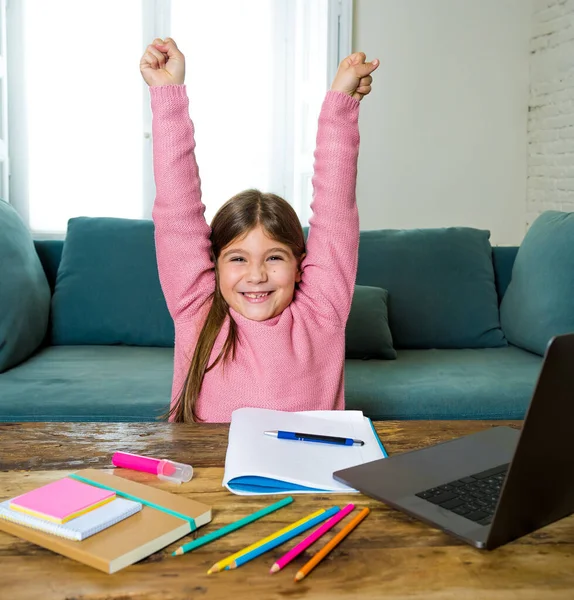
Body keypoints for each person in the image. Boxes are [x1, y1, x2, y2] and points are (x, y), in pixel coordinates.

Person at [140, 37, 379, 423]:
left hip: (308, 478)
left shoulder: (322, 310)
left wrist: (340, 106)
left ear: (302, 264)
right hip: (209, 475)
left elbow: (336, 213)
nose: (256, 275)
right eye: (237, 258)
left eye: (274, 257)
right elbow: (177, 211)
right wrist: (167, 94)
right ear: (213, 264)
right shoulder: (198, 311)